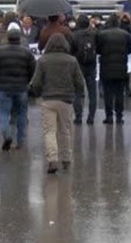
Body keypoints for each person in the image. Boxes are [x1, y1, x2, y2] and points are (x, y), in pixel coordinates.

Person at [30, 33, 85, 174]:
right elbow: (79, 82)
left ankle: (52, 159)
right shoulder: (72, 60)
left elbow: (36, 82)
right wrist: (77, 93)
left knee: (49, 131)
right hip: (66, 100)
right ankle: (66, 158)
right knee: (65, 130)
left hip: (48, 99)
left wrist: (37, 92)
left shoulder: (43, 60)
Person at [0, 28, 36, 151]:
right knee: (21, 114)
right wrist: (26, 80)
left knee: (4, 113)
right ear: (20, 38)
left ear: (7, 38)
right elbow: (33, 70)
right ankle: (20, 142)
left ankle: (6, 134)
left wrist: (0, 79)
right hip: (21, 88)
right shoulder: (27, 52)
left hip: (5, 87)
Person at [96, 15, 131, 124]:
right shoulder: (125, 34)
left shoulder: (102, 35)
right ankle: (119, 116)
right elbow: (130, 50)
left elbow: (98, 50)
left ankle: (109, 116)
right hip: (121, 67)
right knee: (119, 93)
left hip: (106, 67)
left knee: (108, 93)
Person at [70, 14, 98, 125]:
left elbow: (70, 51)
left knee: (77, 92)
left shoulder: (73, 35)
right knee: (92, 93)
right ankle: (91, 117)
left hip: (78, 66)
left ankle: (78, 116)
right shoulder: (94, 34)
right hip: (91, 65)